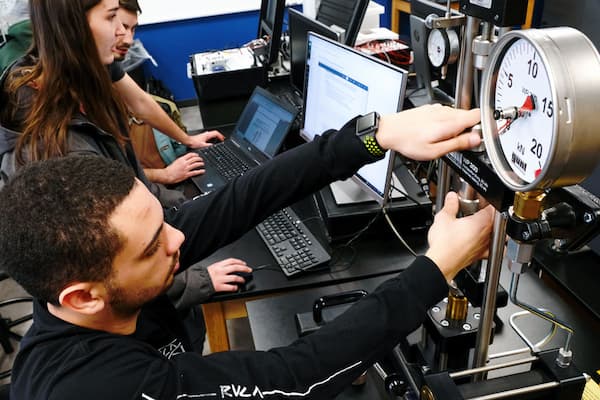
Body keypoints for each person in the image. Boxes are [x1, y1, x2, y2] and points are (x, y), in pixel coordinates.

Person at [0, 155, 494, 399]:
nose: (178, 242)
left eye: (164, 222)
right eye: (154, 247)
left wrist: (371, 137)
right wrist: (436, 268)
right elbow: (293, 377)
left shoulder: (102, 280)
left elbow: (242, 198)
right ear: (84, 297)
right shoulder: (104, 387)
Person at [113, 0, 210, 188]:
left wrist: (188, 139)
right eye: (122, 26)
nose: (128, 39)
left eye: (132, 29)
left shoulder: (107, 66)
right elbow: (107, 170)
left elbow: (141, 102)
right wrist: (164, 175)